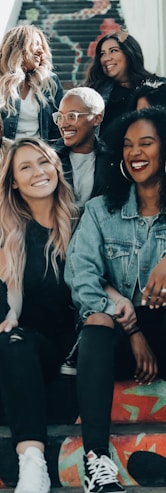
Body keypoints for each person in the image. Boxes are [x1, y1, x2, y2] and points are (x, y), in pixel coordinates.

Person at [64, 106, 166, 493]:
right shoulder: (100, 212)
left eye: (146, 143)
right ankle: (97, 460)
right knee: (96, 322)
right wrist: (133, 327)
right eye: (127, 145)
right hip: (119, 335)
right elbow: (81, 276)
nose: (135, 152)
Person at [0, 137, 78, 493]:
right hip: (36, 346)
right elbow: (12, 298)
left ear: (56, 166)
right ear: (13, 181)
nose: (38, 172)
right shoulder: (10, 230)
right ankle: (33, 464)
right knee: (14, 341)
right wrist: (9, 316)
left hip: (83, 343)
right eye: (25, 167)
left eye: (43, 162)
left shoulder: (83, 218)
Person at [83, 30, 164, 140]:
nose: (107, 58)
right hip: (109, 154)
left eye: (113, 51)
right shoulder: (94, 93)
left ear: (130, 52)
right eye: (103, 54)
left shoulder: (159, 87)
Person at [0, 25, 63, 143]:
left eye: (42, 46)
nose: (41, 51)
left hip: (39, 155)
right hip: (6, 156)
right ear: (17, 46)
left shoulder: (49, 82)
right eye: (36, 44)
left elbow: (58, 129)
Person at [52, 87, 112, 211]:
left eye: (72, 116)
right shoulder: (48, 157)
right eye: (60, 117)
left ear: (96, 119)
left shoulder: (112, 160)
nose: (63, 124)